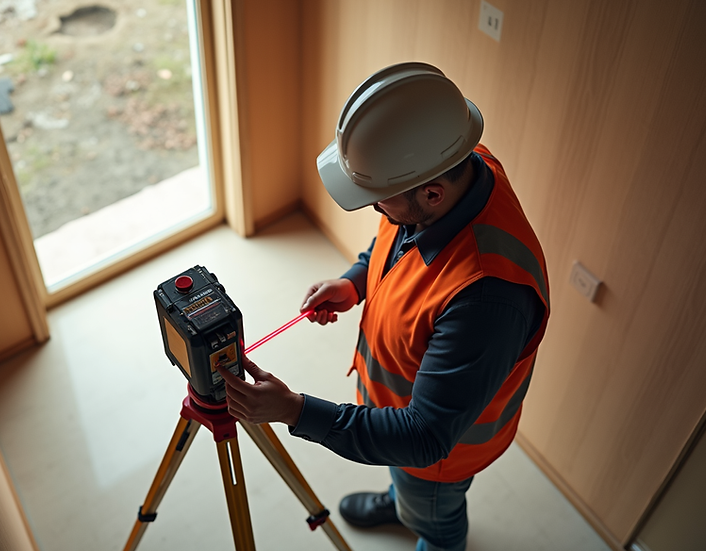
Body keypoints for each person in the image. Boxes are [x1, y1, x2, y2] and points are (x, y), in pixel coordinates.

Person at [217, 62, 550, 551]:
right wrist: (354, 283)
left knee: (434, 513)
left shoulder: (487, 298)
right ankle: (401, 501)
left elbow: (422, 438)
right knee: (405, 480)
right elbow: (397, 241)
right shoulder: (455, 164)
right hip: (398, 408)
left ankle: (427, 527)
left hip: (437, 458)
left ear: (432, 193)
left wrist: (294, 410)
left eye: (378, 200)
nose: (375, 209)